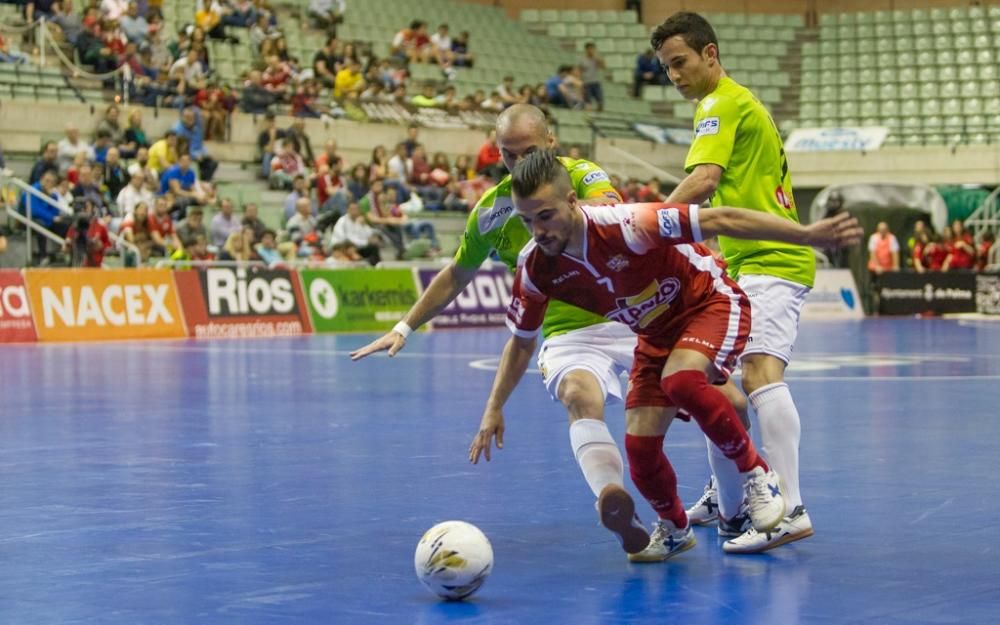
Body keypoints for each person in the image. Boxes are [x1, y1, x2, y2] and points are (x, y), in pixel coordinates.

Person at [351, 104, 749, 558]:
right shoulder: (491, 211)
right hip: (566, 333)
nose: (519, 164)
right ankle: (615, 502)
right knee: (580, 395)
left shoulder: (581, 176)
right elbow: (456, 274)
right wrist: (406, 325)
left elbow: (610, 213)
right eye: (507, 155)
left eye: (528, 152)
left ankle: (734, 505)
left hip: (634, 316)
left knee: (728, 401)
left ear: (551, 144)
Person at [484, 150, 861, 561]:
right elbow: (522, 341)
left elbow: (719, 220)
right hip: (654, 334)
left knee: (680, 381)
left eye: (545, 215)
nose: (538, 230)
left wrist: (806, 234)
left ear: (573, 201)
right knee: (640, 451)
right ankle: (676, 529)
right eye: (527, 220)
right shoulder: (536, 267)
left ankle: (759, 475)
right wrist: (494, 407)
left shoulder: (629, 224)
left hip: (707, 305)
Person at [653, 12, 818, 553]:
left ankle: (789, 508)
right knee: (718, 381)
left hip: (773, 258)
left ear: (711, 55)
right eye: (666, 68)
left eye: (680, 62)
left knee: (759, 372)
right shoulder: (736, 102)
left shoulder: (720, 103)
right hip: (746, 264)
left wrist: (638, 225)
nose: (674, 75)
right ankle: (731, 493)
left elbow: (703, 180)